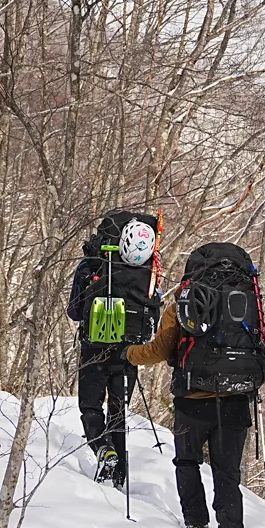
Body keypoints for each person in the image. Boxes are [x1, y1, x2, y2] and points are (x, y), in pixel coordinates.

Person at [128, 241, 265, 528]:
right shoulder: (246, 303)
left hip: (192, 402)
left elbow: (158, 350)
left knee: (187, 462)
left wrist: (129, 354)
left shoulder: (184, 302)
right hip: (236, 402)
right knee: (228, 475)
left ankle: (196, 524)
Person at [66, 210, 162, 491]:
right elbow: (154, 313)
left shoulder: (93, 263)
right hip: (129, 353)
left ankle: (102, 449)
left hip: (94, 346)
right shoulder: (149, 272)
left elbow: (74, 311)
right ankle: (119, 476)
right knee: (118, 410)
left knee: (90, 406)